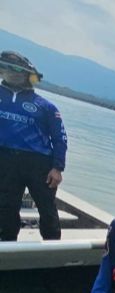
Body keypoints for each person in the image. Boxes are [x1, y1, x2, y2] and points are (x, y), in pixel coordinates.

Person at [0, 51, 66, 242]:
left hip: (39, 163)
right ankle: (7, 246)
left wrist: (58, 167)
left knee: (47, 207)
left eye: (18, 72)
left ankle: (53, 248)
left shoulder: (46, 107)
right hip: (5, 159)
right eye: (8, 69)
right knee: (6, 206)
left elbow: (60, 138)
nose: (13, 75)